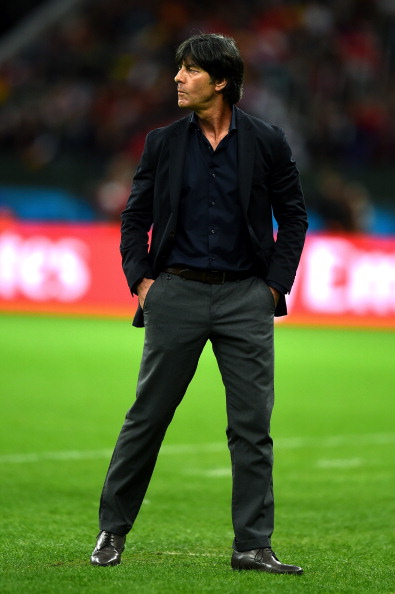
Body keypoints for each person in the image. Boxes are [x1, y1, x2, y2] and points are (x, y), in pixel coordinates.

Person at [90, 33, 308, 574]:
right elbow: (134, 217)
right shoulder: (162, 142)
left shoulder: (267, 142)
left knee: (252, 427)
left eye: (189, 70)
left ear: (222, 82)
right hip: (176, 294)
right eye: (179, 69)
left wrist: (274, 288)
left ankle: (253, 546)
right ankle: (111, 533)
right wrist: (143, 283)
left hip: (245, 298)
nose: (177, 79)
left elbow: (295, 216)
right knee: (148, 417)